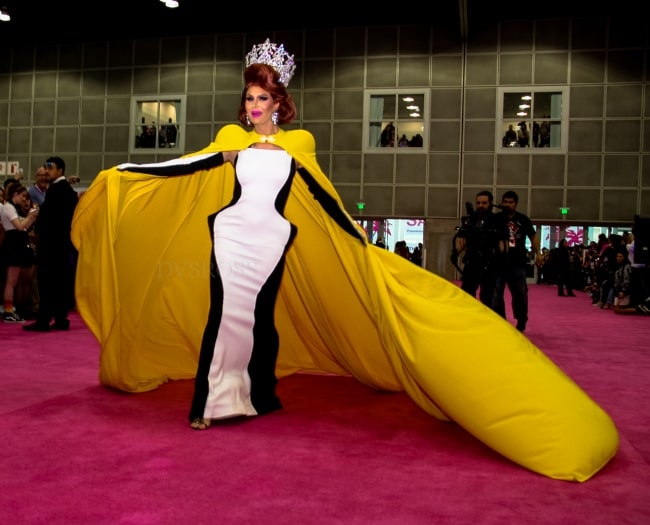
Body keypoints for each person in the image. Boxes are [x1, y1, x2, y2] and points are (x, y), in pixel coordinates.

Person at [70, 39, 618, 481]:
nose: (254, 107)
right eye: (250, 99)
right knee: (227, 313)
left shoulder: (299, 142)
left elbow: (326, 199)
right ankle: (213, 402)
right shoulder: (230, 138)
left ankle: (260, 392)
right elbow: (185, 166)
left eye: (264, 99)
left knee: (260, 318)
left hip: (273, 237)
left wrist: (359, 243)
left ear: (280, 103)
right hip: (233, 234)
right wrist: (129, 173)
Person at [23, 157, 79, 332]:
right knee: (60, 282)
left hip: (51, 245)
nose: (46, 171)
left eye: (50, 168)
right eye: (45, 168)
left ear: (60, 170)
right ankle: (61, 319)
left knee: (47, 282)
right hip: (62, 245)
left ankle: (44, 320)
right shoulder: (67, 191)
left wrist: (39, 230)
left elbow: (50, 219)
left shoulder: (57, 190)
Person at [493, 191, 542, 332]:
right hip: (499, 262)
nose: (507, 204)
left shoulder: (523, 219)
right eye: (505, 202)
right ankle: (500, 320)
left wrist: (538, 253)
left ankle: (521, 320)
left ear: (515, 204)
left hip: (518, 263)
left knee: (520, 293)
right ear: (502, 203)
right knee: (496, 293)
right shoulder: (496, 219)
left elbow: (533, 237)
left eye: (511, 202)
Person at [453, 190, 506, 310]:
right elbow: (461, 240)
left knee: (487, 298)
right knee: (466, 296)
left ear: (490, 203)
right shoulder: (470, 219)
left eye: (484, 203)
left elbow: (502, 243)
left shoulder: (497, 220)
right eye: (478, 203)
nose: (480, 205)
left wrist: (502, 260)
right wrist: (456, 252)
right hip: (472, 263)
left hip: (490, 265)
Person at [0, 184, 39, 322]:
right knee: (11, 281)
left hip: (17, 242)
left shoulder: (14, 208)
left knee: (14, 281)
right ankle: (8, 312)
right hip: (13, 243)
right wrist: (30, 216)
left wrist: (32, 218)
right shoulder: (8, 207)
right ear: (15, 194)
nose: (24, 199)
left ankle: (11, 309)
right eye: (22, 196)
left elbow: (24, 228)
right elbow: (19, 226)